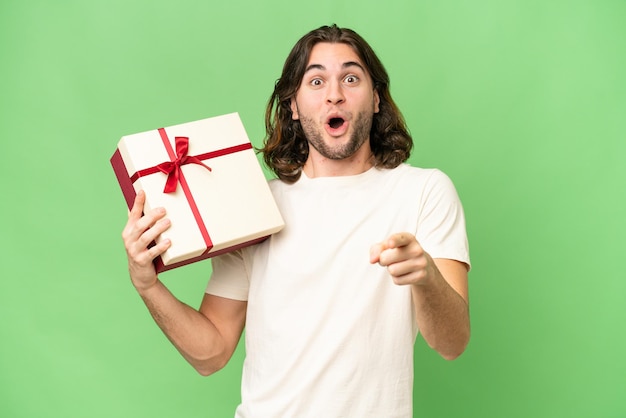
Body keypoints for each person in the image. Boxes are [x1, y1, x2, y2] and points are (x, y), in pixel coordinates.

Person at [122, 24, 470, 418]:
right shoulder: (257, 207)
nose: (334, 94)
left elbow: (452, 343)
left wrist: (425, 277)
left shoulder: (424, 192)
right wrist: (146, 284)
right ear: (293, 105)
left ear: (375, 99)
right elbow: (212, 353)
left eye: (351, 78)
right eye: (316, 80)